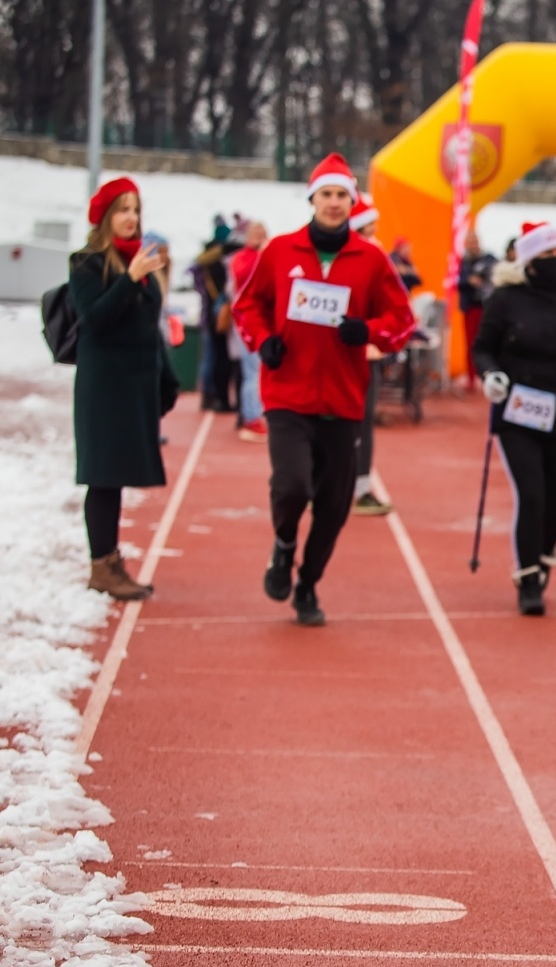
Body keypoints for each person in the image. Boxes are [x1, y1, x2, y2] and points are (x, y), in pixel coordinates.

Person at [232, 154, 416, 626]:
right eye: (326, 194)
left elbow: (402, 321)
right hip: (288, 394)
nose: (334, 203)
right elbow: (247, 306)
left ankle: (308, 584)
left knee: (334, 506)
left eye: (342, 195)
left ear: (351, 202)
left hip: (342, 398)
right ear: (313, 199)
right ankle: (284, 546)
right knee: (292, 485)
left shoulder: (371, 259)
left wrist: (368, 331)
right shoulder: (280, 250)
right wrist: (264, 342)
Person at [473, 221, 556, 615]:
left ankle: (543, 558)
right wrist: (490, 373)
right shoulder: (506, 298)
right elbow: (483, 348)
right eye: (544, 256)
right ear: (527, 259)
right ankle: (528, 577)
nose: (553, 262)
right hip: (519, 410)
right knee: (531, 494)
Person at [69, 177, 171, 601]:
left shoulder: (143, 262)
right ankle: (103, 565)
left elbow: (149, 326)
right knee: (103, 477)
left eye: (135, 209)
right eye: (122, 209)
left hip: (134, 385)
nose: (130, 218)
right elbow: (96, 319)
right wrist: (130, 278)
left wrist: (166, 377)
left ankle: (110, 560)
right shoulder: (87, 263)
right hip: (103, 387)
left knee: (117, 476)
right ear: (106, 216)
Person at [347, 194, 396, 518]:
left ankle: (361, 487)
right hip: (336, 355)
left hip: (367, 354)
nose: (375, 230)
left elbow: (391, 306)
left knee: (362, 423)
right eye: (370, 226)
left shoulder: (377, 256)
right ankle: (321, 484)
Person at [228, 221, 269, 443]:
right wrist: (260, 253)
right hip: (244, 320)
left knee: (256, 370)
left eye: (262, 233)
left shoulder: (263, 254)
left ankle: (253, 412)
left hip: (262, 319)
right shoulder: (243, 258)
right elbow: (245, 279)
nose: (259, 237)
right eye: (255, 233)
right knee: (252, 370)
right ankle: (251, 416)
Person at [190, 217, 234, 411]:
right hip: (220, 315)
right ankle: (218, 397)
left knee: (209, 357)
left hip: (207, 313)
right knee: (221, 358)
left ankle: (208, 394)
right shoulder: (222, 263)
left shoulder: (203, 263)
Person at [457, 229, 499, 390]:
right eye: (470, 242)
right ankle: (471, 377)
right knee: (470, 343)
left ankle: (486, 375)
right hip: (471, 307)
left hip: (487, 308)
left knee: (488, 342)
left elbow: (496, 278)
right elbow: (457, 283)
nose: (473, 245)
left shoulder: (489, 260)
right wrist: (469, 281)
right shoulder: (463, 262)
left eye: (474, 242)